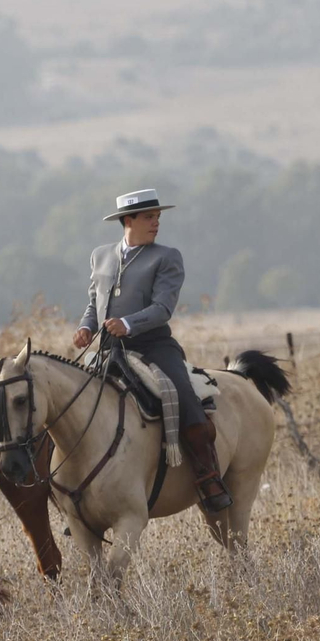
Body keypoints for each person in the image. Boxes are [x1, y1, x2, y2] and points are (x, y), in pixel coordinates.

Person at [73, 188, 232, 512]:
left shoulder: (166, 257)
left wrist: (128, 324)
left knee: (183, 394)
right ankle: (80, 492)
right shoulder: (100, 255)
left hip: (154, 346)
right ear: (128, 220)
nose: (156, 223)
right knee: (74, 402)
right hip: (108, 348)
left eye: (157, 217)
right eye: (149, 217)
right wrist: (86, 326)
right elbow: (95, 302)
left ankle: (207, 474)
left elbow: (162, 308)